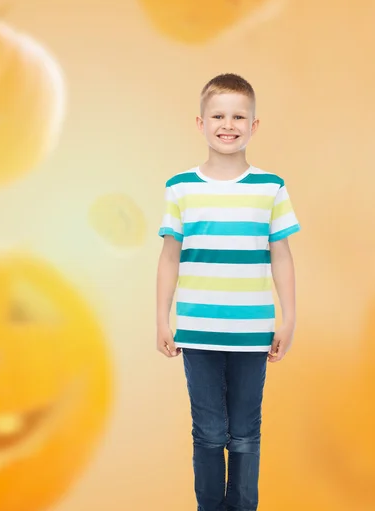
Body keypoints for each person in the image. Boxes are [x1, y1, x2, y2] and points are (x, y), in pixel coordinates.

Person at [155, 73, 300, 511]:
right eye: (218, 115)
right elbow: (168, 257)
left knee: (245, 432)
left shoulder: (270, 187)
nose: (228, 124)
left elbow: (282, 256)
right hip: (197, 331)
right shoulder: (180, 187)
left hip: (252, 331)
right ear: (200, 123)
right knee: (209, 432)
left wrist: (288, 319)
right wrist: (162, 319)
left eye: (239, 116)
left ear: (254, 125)